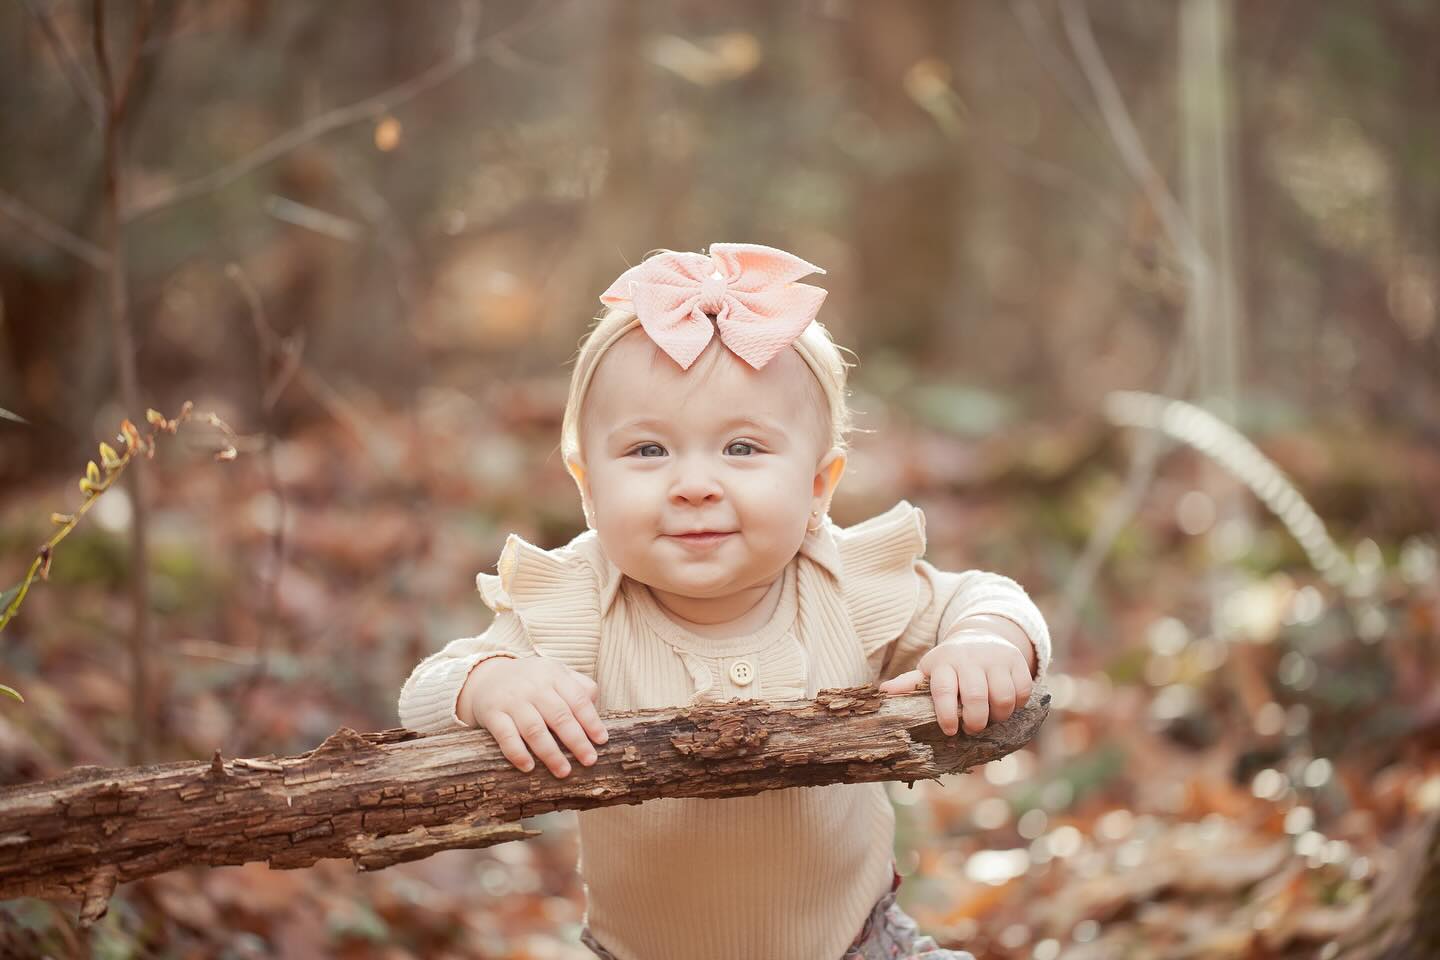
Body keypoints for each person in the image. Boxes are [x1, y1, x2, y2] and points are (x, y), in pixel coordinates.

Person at [398, 242, 1052, 960]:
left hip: (856, 947)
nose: (694, 484)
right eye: (649, 451)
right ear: (587, 485)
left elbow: (987, 597)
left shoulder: (842, 583)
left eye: (741, 449)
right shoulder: (584, 602)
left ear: (817, 486)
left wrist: (986, 639)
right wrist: (491, 683)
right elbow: (426, 692)